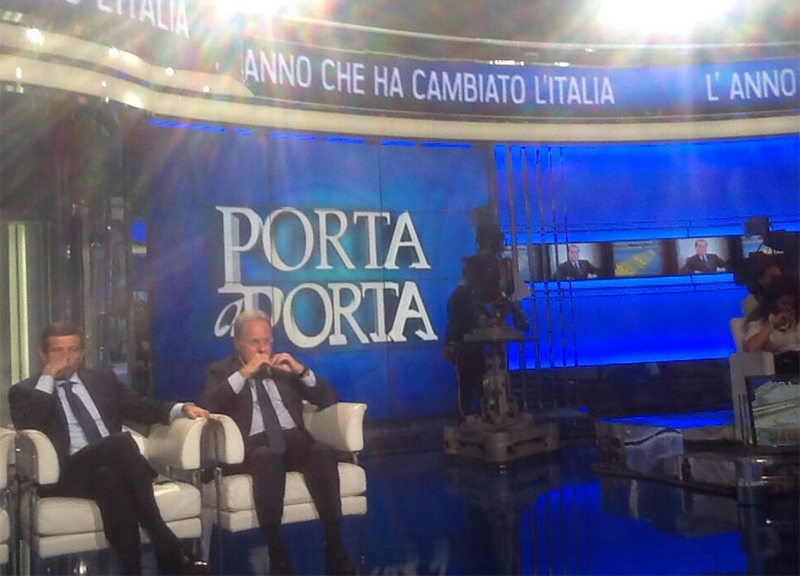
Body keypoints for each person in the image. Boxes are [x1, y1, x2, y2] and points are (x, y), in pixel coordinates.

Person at [9, 321, 210, 576]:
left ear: (82, 353)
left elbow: (140, 407)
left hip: (109, 468)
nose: (66, 358)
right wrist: (48, 377)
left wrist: (182, 408)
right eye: (58, 351)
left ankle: (133, 571)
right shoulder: (25, 391)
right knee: (120, 442)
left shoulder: (102, 380)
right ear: (43, 354)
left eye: (72, 350)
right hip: (66, 473)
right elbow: (28, 425)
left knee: (110, 479)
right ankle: (164, 540)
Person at [200, 310, 355, 576]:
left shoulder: (283, 370)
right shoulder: (221, 370)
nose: (263, 349)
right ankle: (277, 553)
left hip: (292, 440)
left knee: (321, 451)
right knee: (267, 458)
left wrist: (300, 370)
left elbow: (329, 398)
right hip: (252, 447)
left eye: (267, 341)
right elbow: (207, 404)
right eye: (254, 342)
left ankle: (334, 546)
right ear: (237, 343)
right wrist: (244, 373)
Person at [744, 275, 800, 375]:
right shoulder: (760, 320)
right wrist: (772, 324)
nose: (788, 308)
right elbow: (751, 349)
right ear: (772, 302)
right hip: (782, 364)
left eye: (791, 304)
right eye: (783, 303)